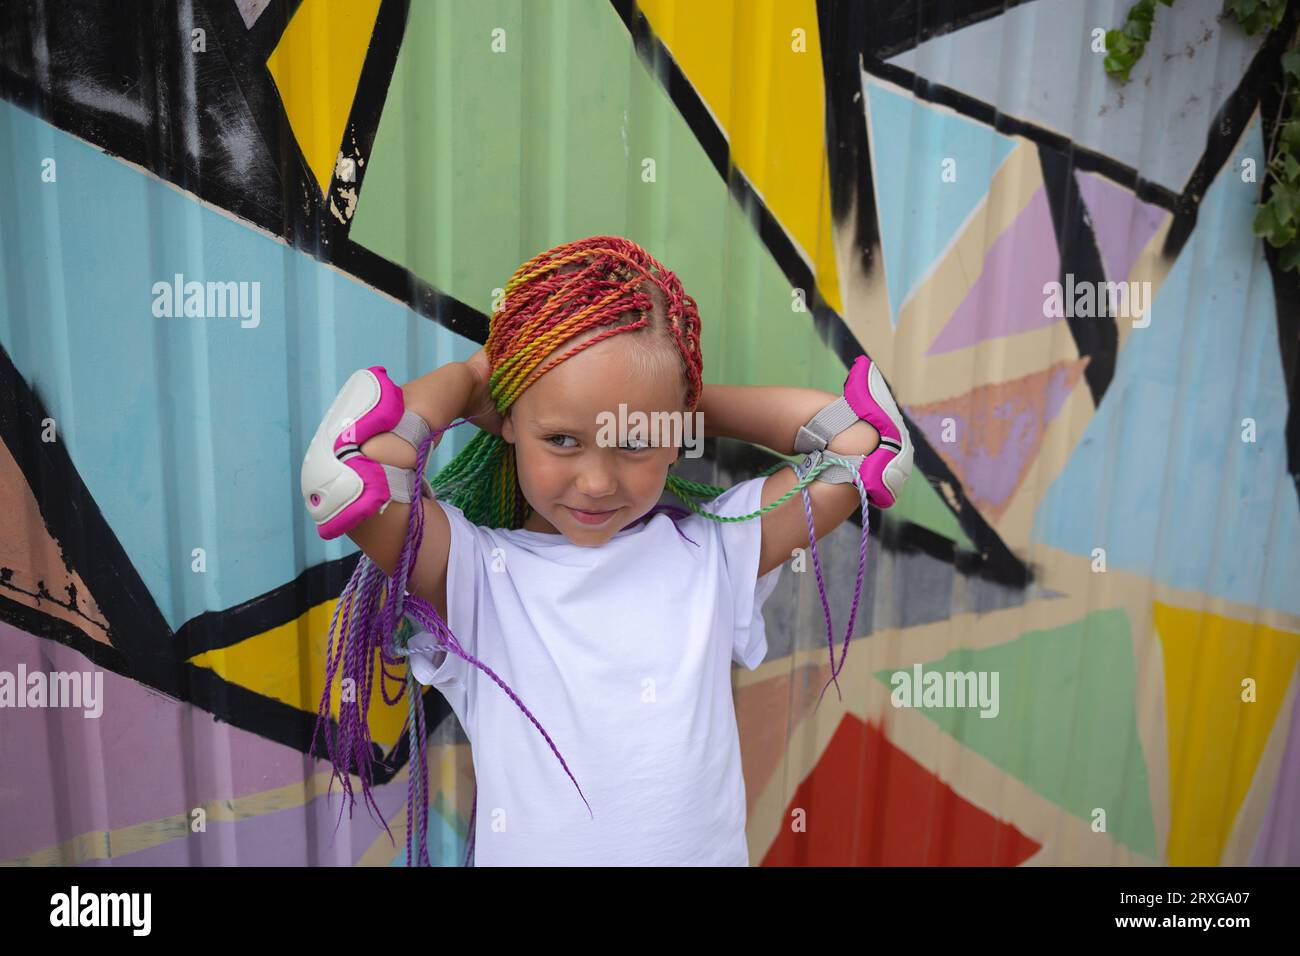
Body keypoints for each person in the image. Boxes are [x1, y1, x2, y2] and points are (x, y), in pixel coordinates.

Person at [300, 235, 913, 866]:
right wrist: (478, 377)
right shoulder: (477, 577)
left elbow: (864, 447)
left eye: (634, 441)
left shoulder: (714, 554)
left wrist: (671, 402)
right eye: (562, 438)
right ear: (507, 421)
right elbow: (347, 475)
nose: (596, 481)